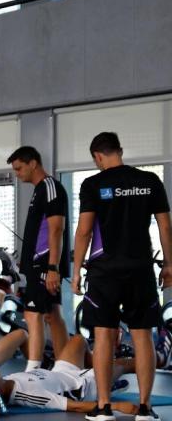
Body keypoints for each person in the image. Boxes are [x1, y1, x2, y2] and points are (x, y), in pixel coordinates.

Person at [72, 132, 172, 421]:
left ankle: (103, 408)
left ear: (97, 156)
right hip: (140, 269)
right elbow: (165, 227)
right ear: (120, 151)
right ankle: (144, 407)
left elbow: (84, 231)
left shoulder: (93, 184)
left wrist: (76, 269)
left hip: (104, 273)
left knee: (103, 335)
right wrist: (168, 265)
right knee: (143, 336)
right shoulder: (149, 181)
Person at [7, 145, 70, 370]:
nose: (17, 173)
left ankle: (32, 372)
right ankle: (67, 368)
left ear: (33, 163)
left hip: (45, 264)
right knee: (52, 315)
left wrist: (52, 267)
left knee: (32, 315)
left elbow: (56, 229)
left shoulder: (50, 186)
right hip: (38, 264)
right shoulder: (39, 190)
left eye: (19, 168)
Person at [0, 329, 138, 415]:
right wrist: (117, 406)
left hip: (61, 372)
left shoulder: (6, 380)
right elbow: (74, 406)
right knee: (124, 364)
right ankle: (160, 359)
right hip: (84, 385)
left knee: (78, 340)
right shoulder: (28, 395)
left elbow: (20, 334)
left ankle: (103, 369)